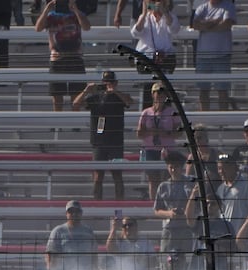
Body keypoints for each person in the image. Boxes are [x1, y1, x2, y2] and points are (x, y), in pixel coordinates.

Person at [72, 69, 131, 201]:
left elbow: (129, 102)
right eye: (105, 82)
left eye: (111, 82)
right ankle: (96, 204)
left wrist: (115, 91)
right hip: (99, 141)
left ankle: (120, 204)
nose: (108, 84)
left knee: (117, 175)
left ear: (116, 83)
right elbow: (75, 105)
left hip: (115, 141)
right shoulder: (96, 97)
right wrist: (86, 90)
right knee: (98, 176)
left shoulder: (119, 96)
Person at [36, 0, 89, 112]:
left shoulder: (77, 14)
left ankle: (75, 123)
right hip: (57, 58)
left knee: (76, 95)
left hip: (75, 57)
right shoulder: (51, 16)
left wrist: (75, 9)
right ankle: (57, 124)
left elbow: (86, 27)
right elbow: (38, 28)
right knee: (57, 96)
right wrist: (46, 9)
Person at [189, 0, 235, 111]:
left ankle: (223, 122)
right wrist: (216, 21)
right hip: (203, 56)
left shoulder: (228, 5)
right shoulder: (201, 8)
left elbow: (226, 24)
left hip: (222, 55)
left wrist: (205, 25)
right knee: (203, 90)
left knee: (222, 90)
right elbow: (195, 24)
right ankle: (204, 121)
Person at [135, 84, 179, 201]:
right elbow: (139, 133)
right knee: (153, 179)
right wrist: (150, 132)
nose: (160, 95)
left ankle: (167, 201)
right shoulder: (146, 112)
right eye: (157, 92)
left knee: (167, 177)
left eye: (162, 93)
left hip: (167, 148)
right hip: (150, 149)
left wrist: (165, 133)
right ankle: (153, 203)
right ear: (152, 94)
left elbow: (179, 132)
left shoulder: (172, 112)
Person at [152, 150, 195, 254]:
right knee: (167, 262)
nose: (173, 170)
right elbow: (156, 210)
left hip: (187, 229)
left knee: (187, 261)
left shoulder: (191, 183)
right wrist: (169, 213)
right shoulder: (163, 186)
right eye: (170, 167)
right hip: (169, 229)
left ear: (181, 167)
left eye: (176, 167)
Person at [46, 199, 99, 270]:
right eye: (71, 211)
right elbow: (50, 253)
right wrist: (51, 269)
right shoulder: (58, 231)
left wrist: (95, 269)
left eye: (77, 211)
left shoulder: (88, 231)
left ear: (81, 213)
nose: (74, 214)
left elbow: (94, 253)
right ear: (66, 214)